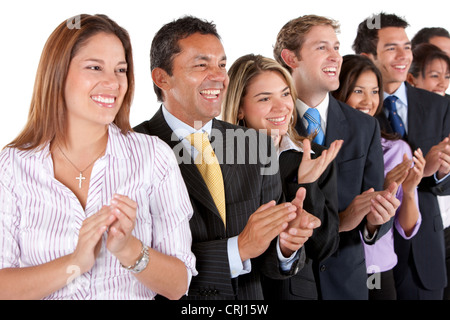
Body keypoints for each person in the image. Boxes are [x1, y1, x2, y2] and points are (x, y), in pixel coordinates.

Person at [0, 14, 197, 300]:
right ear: (58, 73)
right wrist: (74, 264)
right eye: (95, 67)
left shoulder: (154, 158)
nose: (113, 82)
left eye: (120, 70)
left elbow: (178, 285)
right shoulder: (12, 166)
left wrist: (128, 248)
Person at [134, 16, 320, 300]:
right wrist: (238, 249)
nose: (219, 76)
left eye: (221, 64)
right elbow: (137, 260)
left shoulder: (255, 145)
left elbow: (269, 259)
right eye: (201, 64)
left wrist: (285, 245)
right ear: (162, 78)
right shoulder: (131, 151)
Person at [273, 14, 400, 300]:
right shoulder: (270, 120)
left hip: (348, 283)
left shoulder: (364, 126)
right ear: (290, 58)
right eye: (322, 48)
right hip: (289, 284)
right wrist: (340, 220)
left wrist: (375, 220)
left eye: (337, 48)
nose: (335, 57)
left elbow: (374, 207)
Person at [222, 54, 342, 300]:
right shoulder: (217, 158)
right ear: (240, 108)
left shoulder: (313, 156)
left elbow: (324, 247)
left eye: (285, 94)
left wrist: (306, 184)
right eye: (265, 98)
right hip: (238, 294)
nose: (282, 107)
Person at [353, 12, 450, 299]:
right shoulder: (355, 106)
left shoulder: (439, 106)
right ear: (368, 55)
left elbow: (445, 186)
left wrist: (436, 171)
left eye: (406, 47)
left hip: (425, 248)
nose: (403, 55)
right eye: (391, 47)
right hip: (369, 248)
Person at [333, 54, 424, 299]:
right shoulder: (324, 147)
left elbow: (406, 229)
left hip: (378, 268)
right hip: (334, 267)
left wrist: (408, 189)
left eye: (375, 92)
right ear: (338, 92)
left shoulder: (397, 150)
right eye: (358, 91)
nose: (368, 101)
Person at [406, 43, 450, 299]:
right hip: (407, 236)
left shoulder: (445, 110)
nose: (442, 83)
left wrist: (440, 172)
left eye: (446, 76)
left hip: (438, 231)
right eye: (434, 75)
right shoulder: (389, 108)